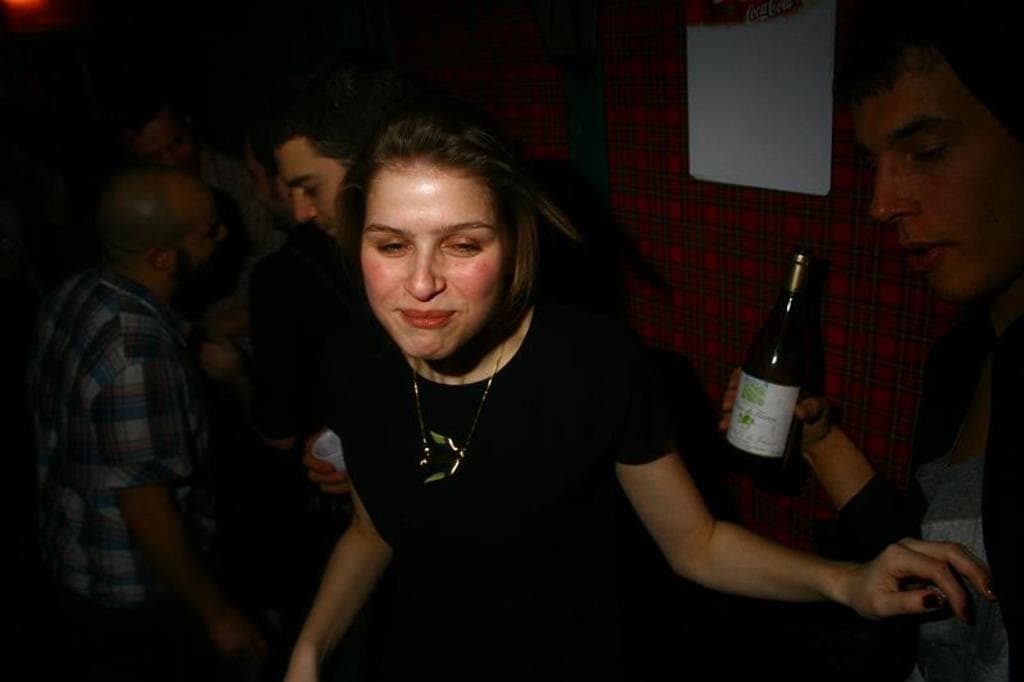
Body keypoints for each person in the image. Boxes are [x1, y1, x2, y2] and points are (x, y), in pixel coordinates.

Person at [283, 96, 994, 681]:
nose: (421, 283)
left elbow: (697, 543)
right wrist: (310, 651)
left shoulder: (591, 361)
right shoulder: (353, 361)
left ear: (514, 245)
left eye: (462, 244)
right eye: (392, 245)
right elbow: (373, 529)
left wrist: (847, 581)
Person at [721, 2, 1023, 679]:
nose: (881, 205)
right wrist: (820, 441)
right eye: (874, 163)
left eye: (928, 152)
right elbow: (929, 564)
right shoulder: (963, 357)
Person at [26, 166, 268, 681]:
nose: (224, 234)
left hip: (73, 555)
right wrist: (219, 616)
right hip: (139, 594)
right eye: (208, 232)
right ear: (162, 257)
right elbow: (148, 512)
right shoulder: (140, 355)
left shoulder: (76, 289)